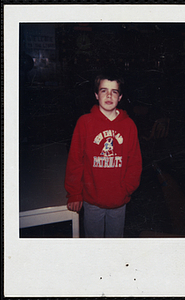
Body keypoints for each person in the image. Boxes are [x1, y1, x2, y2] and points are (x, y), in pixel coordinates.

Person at [65, 71, 142, 238]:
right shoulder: (84, 123)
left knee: (115, 243)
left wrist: (127, 189)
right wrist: (74, 193)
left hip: (119, 200)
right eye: (103, 90)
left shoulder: (129, 125)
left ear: (120, 97)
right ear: (96, 94)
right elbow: (75, 160)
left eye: (114, 91)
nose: (109, 95)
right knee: (94, 245)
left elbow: (135, 162)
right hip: (92, 200)